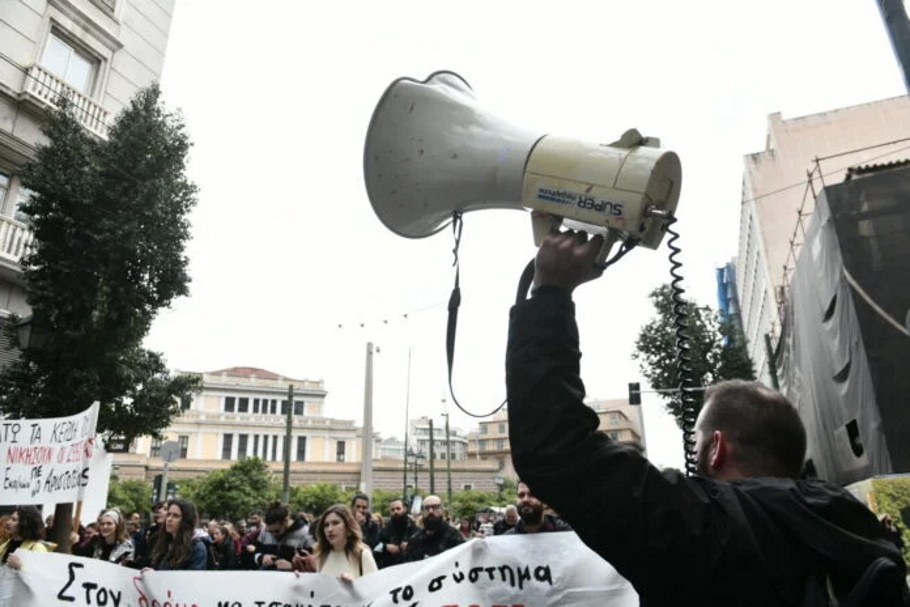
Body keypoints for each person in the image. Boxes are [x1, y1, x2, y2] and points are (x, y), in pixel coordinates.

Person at [506, 222, 909, 606]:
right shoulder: (859, 528)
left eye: (696, 440)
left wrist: (550, 293)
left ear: (716, 448)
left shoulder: (703, 526)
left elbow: (555, 448)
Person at [307, 504, 377, 581]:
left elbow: (375, 589)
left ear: (347, 527)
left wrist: (354, 585)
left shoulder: (362, 555)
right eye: (326, 525)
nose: (330, 529)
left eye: (335, 523)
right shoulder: (321, 555)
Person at [145, 498, 208, 571]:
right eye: (168, 514)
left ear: (186, 520)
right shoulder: (165, 542)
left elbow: (193, 578)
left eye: (176, 516)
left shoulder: (197, 548)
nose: (169, 519)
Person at [252, 501, 313, 571]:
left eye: (276, 531)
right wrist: (262, 557)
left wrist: (292, 566)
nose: (273, 535)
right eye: (269, 531)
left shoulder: (305, 534)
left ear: (286, 521)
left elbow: (313, 565)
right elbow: (256, 554)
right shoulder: (264, 530)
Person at [403, 495, 464, 562]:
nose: (431, 511)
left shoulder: (455, 537)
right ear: (422, 512)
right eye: (427, 508)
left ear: (442, 511)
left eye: (435, 507)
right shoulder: (415, 541)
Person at [504, 481, 572, 535]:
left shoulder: (567, 533)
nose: (525, 500)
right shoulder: (507, 539)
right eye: (521, 495)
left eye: (532, 495)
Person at [377, 497, 417, 569]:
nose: (395, 512)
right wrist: (385, 547)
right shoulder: (385, 529)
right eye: (393, 510)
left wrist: (410, 545)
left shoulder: (412, 527)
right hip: (390, 568)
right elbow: (375, 546)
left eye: (398, 509)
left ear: (404, 509)